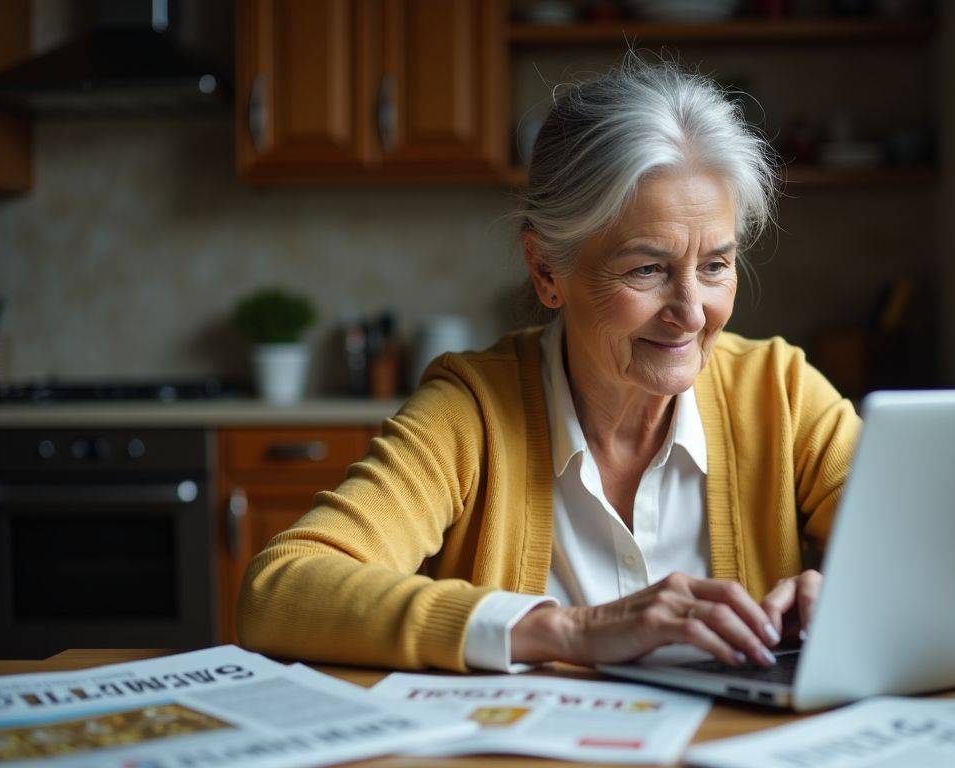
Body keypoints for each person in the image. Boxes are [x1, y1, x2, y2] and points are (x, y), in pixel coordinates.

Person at [237, 58, 861, 674]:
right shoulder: (471, 412)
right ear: (546, 271)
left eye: (715, 266)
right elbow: (282, 590)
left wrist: (851, 594)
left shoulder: (781, 393)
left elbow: (942, 555)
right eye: (648, 269)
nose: (692, 314)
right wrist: (571, 630)